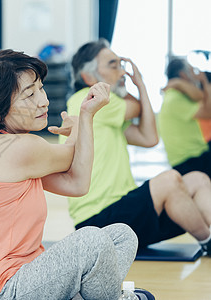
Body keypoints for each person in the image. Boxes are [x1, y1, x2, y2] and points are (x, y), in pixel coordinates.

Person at [0, 49, 139, 300]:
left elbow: (77, 184)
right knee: (91, 241)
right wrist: (86, 116)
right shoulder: (18, 149)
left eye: (41, 88)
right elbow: (74, 157)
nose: (43, 101)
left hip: (25, 278)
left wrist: (79, 128)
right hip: (0, 292)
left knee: (122, 236)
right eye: (29, 94)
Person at [64, 38, 211, 257]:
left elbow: (149, 137)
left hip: (125, 212)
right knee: (170, 180)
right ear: (88, 77)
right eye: (113, 65)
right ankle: (208, 242)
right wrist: (138, 85)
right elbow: (136, 108)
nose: (122, 72)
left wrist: (139, 85)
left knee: (197, 179)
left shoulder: (103, 117)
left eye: (121, 65)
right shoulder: (87, 101)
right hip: (98, 222)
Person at [159, 57, 211, 177]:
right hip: (189, 161)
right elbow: (209, 112)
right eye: (192, 71)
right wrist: (204, 81)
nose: (195, 75)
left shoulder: (179, 96)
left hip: (195, 156)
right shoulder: (176, 98)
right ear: (183, 75)